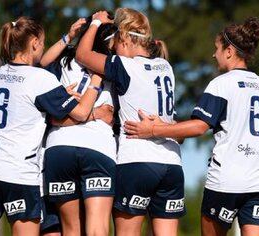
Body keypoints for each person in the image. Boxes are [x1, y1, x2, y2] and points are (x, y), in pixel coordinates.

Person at [124, 17, 259, 236]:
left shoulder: (222, 84)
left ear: (229, 51)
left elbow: (199, 127)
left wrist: (153, 130)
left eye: (217, 49)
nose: (214, 54)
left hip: (226, 182)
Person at [0, 16, 102, 236]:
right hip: (19, 174)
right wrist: (95, 83)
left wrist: (68, 38)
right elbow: (82, 113)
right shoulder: (41, 79)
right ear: (35, 43)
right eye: (43, 43)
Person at [76, 8, 185, 236]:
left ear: (125, 37)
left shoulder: (124, 66)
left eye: (115, 42)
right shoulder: (166, 67)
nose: (114, 48)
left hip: (137, 161)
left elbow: (82, 55)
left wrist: (95, 23)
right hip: (172, 164)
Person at [39, 15, 118, 236]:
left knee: (71, 230)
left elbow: (40, 63)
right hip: (97, 148)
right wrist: (96, 115)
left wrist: (69, 36)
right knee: (97, 229)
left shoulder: (65, 59)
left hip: (59, 148)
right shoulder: (114, 64)